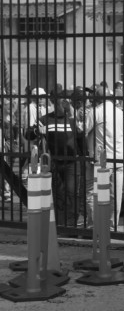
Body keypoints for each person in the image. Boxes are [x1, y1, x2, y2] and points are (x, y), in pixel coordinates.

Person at [26, 89, 87, 227]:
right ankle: (59, 224)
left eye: (66, 101)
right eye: (61, 101)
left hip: (72, 163)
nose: (64, 104)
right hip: (54, 162)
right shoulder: (45, 119)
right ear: (54, 102)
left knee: (72, 193)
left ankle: (71, 224)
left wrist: (84, 157)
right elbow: (27, 134)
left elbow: (80, 141)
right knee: (58, 195)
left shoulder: (72, 120)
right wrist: (36, 131)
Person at [80, 86, 124, 230]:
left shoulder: (95, 112)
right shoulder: (121, 114)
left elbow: (83, 131)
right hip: (118, 158)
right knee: (115, 194)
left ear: (97, 98)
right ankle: (111, 225)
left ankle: (93, 224)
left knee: (92, 191)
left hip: (99, 159)